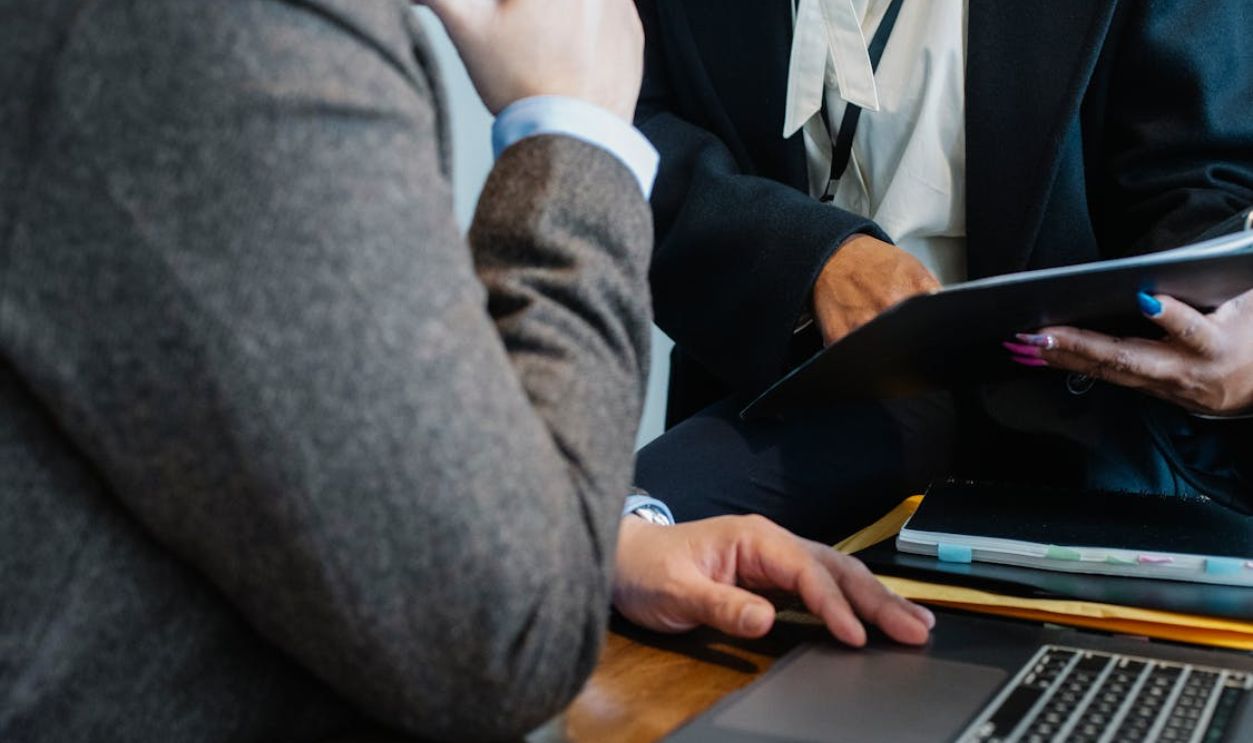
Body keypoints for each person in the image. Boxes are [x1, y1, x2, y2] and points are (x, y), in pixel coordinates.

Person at [0, 0, 936, 740]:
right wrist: (578, 134)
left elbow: (288, 430)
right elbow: (499, 645)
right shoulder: (218, 37)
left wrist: (600, 551)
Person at [631, 0, 1253, 541]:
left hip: (1081, 417)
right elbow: (619, 127)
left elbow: (1198, 182)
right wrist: (813, 257)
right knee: (595, 554)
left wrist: (1235, 331)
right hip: (790, 377)